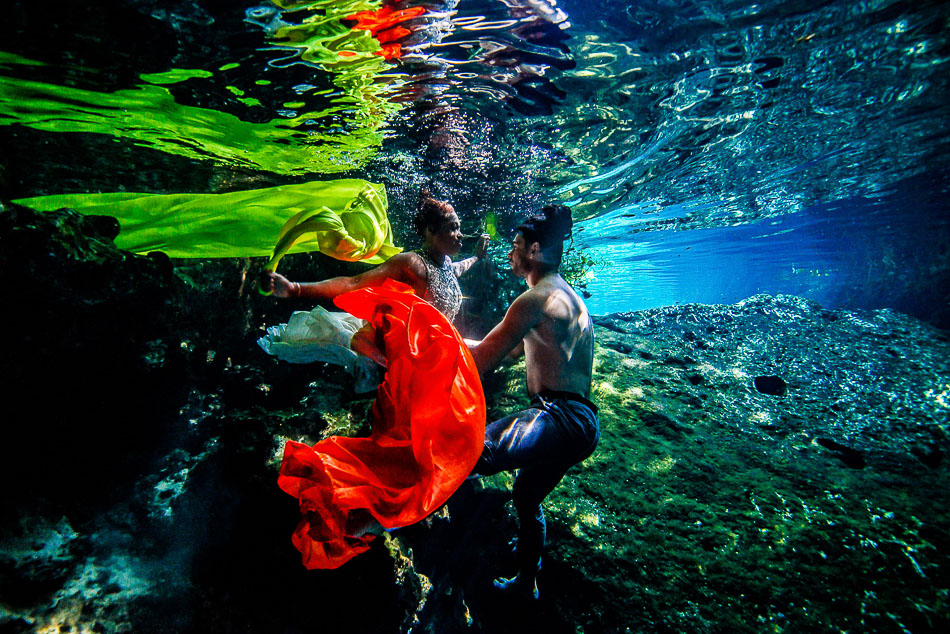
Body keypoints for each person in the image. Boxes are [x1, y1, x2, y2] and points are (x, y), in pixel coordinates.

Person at [466, 203, 599, 600]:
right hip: (582, 423)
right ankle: (527, 582)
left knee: (474, 449)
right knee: (526, 496)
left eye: (517, 244)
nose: (510, 251)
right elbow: (507, 353)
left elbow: (482, 361)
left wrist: (425, 341)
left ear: (536, 250)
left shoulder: (535, 298)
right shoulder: (566, 296)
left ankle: (394, 517)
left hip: (559, 416)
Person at [262, 189, 489, 323]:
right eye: (452, 227)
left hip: (438, 360)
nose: (459, 235)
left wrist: (477, 258)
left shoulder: (447, 265)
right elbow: (354, 283)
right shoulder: (410, 263)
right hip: (408, 366)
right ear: (431, 230)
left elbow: (460, 267)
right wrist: (295, 288)